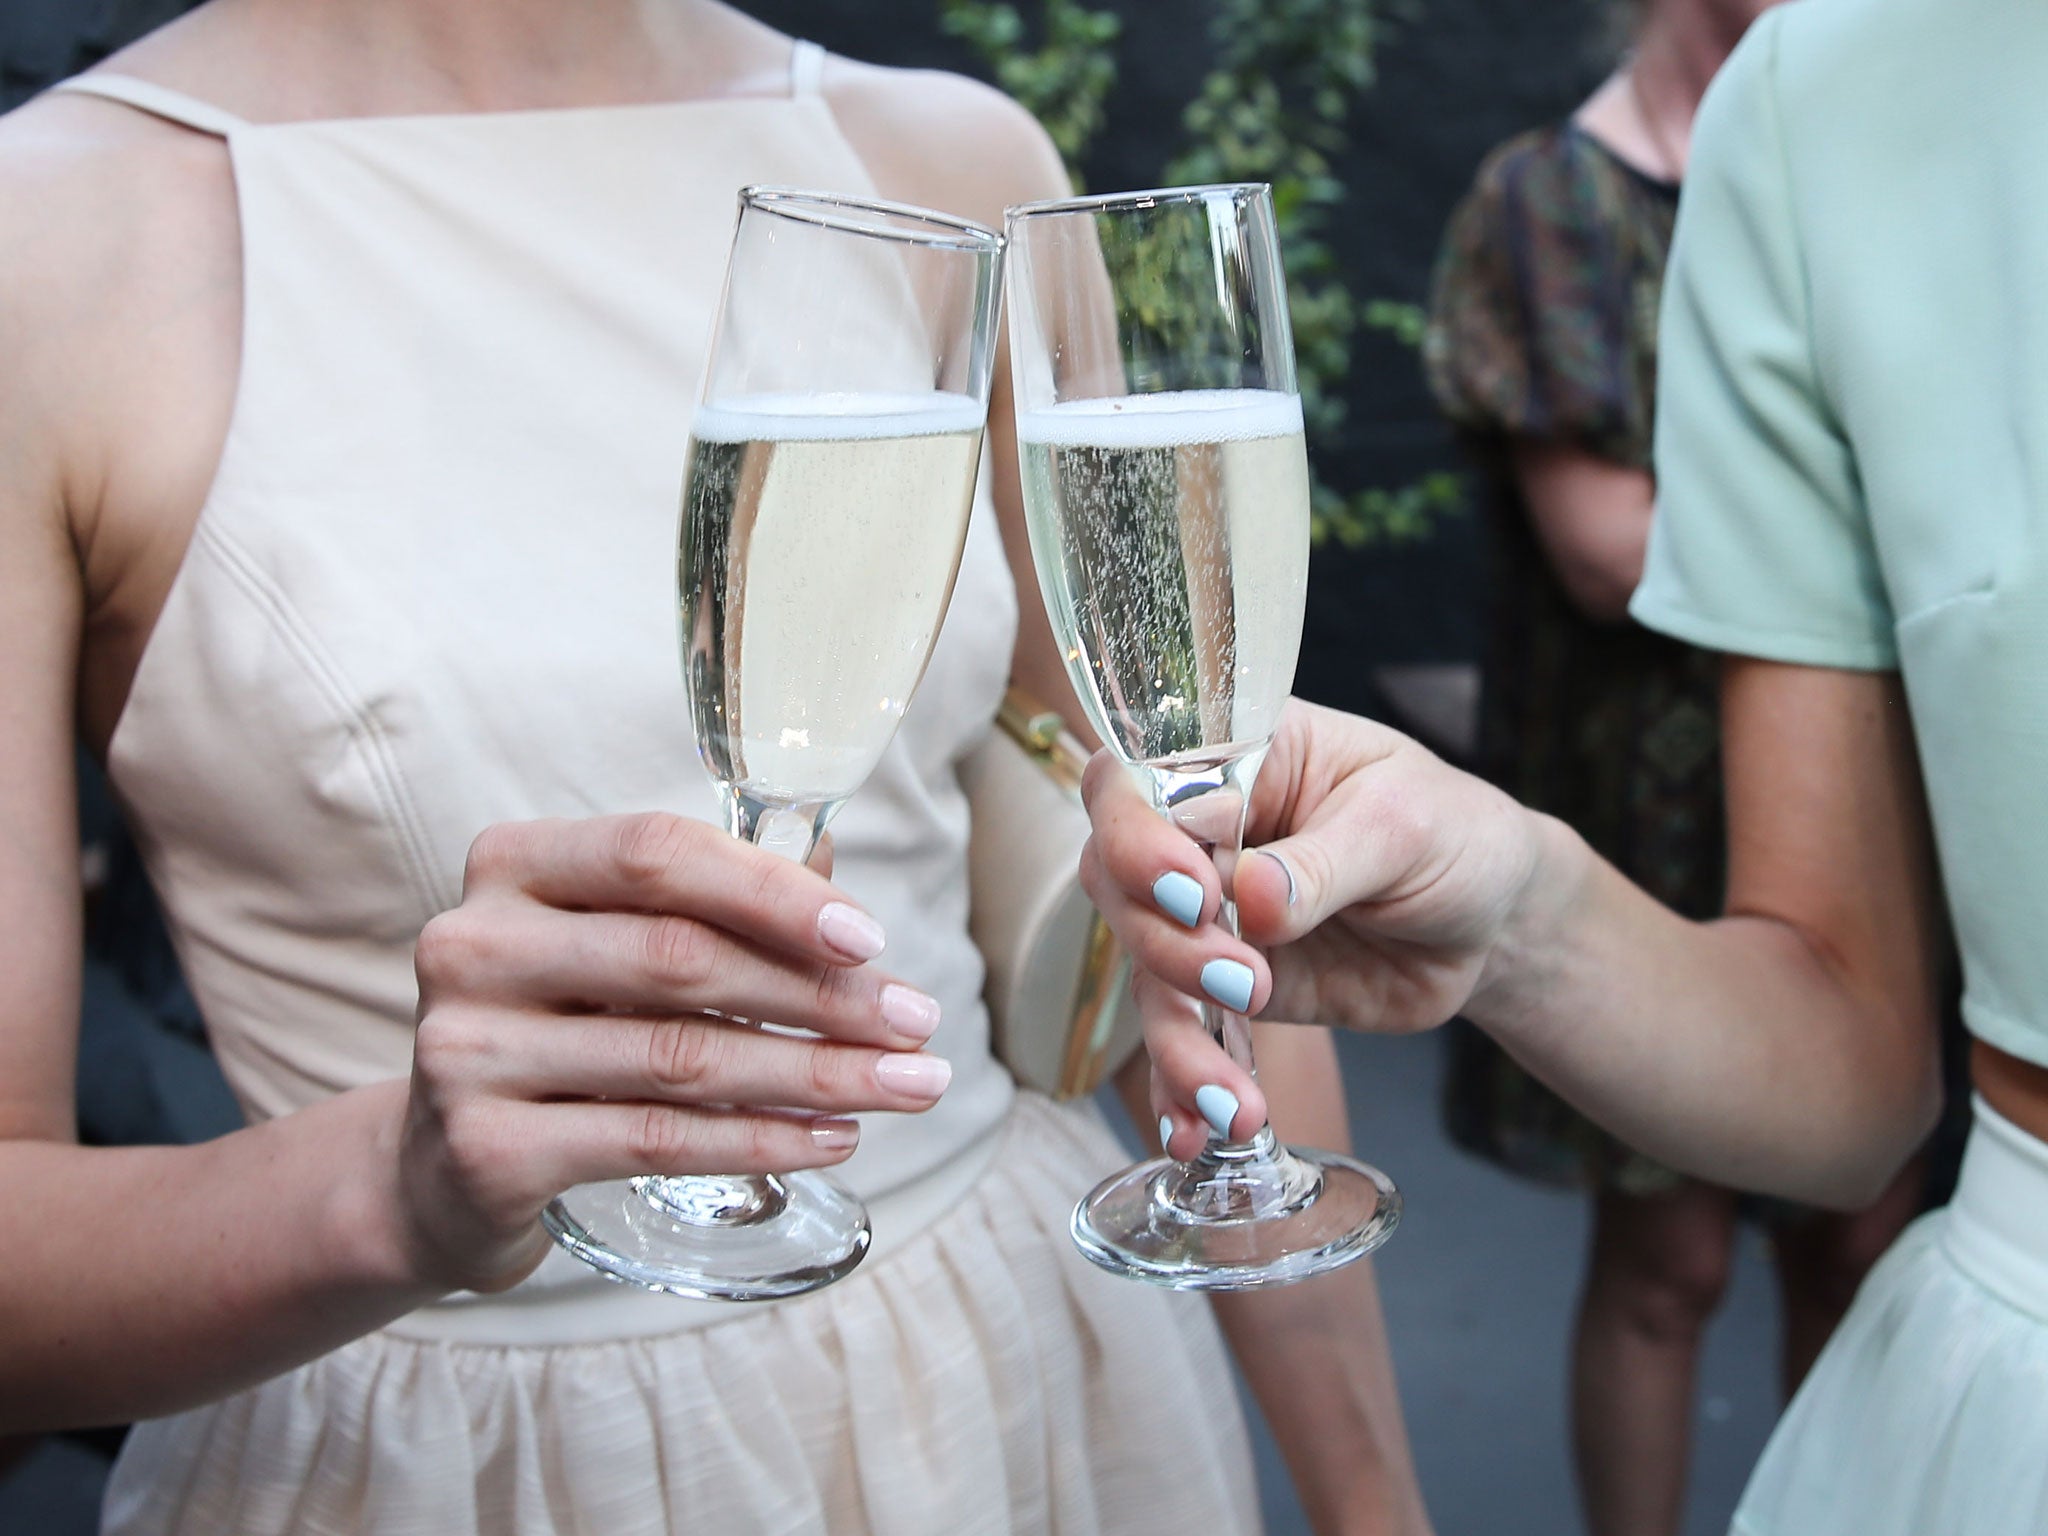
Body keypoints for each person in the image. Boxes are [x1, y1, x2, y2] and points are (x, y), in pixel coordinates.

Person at [0, 2, 1432, 1532]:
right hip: (451, 1467)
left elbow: (1180, 865)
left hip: (1013, 1375)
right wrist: (396, 1192)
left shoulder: (941, 154)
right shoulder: (56, 230)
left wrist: (1368, 1504)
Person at [1091, 1, 2048, 1532]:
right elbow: (1854, 1065)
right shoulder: (1809, 115)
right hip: (1642, 801)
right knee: (1663, 1263)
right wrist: (1521, 902)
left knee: (1828, 1251)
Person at [1421, 3, 1922, 1529]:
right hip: (1643, 808)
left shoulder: (1869, 174)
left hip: (1858, 799)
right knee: (1671, 1261)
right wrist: (1895, 534)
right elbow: (1601, 547)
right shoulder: (1547, 201)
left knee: (1857, 1235)